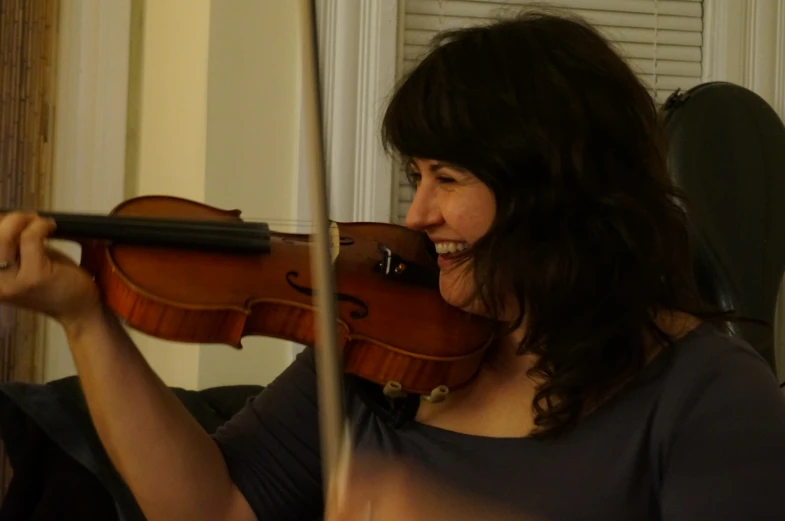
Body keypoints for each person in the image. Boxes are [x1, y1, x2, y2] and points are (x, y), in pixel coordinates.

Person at [1, 8, 784, 521]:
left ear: (557, 188)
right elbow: (212, 508)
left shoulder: (706, 393)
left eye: (448, 178)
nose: (417, 216)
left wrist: (441, 504)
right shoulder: (385, 347)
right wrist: (84, 314)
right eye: (416, 177)